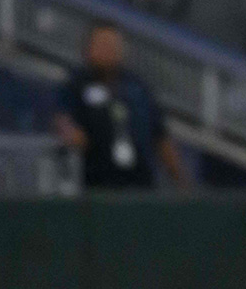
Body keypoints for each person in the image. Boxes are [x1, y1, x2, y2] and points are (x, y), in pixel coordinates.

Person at [53, 22, 188, 189]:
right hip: (95, 186)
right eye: (101, 44)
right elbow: (63, 120)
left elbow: (160, 134)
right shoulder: (76, 85)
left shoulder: (137, 87)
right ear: (88, 48)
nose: (107, 50)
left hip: (140, 185)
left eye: (112, 45)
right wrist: (71, 135)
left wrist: (180, 179)